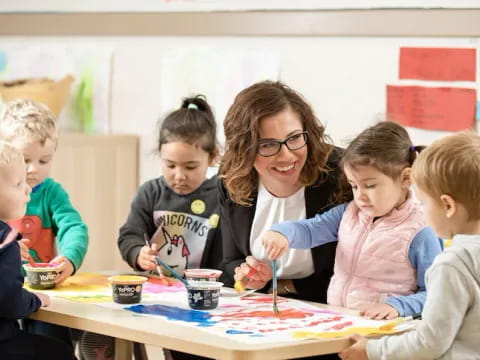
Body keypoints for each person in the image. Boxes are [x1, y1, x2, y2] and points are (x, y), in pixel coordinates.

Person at [262, 121, 443, 320]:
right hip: (342, 322)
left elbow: (437, 293)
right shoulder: (349, 213)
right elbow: (311, 230)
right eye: (354, 186)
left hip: (386, 334)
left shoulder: (420, 231)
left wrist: (398, 307)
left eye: (370, 186)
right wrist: (282, 233)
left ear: (406, 178)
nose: (360, 196)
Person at [339, 132, 480, 360]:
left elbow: (430, 342)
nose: (421, 211)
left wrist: (371, 350)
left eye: (423, 203)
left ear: (447, 205)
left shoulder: (453, 264)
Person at [219, 80, 351, 304]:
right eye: (268, 145)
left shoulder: (342, 173)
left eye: (294, 138)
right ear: (245, 150)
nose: (287, 155)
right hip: (262, 307)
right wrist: (246, 275)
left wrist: (281, 286)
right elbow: (230, 260)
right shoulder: (232, 180)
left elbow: (360, 270)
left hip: (330, 306)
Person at [118, 95, 222, 360]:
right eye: (170, 165)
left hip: (203, 298)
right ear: (160, 156)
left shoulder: (221, 194)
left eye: (190, 166)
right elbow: (129, 233)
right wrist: (138, 254)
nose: (179, 175)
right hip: (160, 293)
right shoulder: (151, 192)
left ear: (213, 157)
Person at [0, 98, 89, 352]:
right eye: (24, 159)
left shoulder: (52, 192)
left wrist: (69, 258)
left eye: (44, 160)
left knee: (51, 339)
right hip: (10, 293)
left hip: (42, 288)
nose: (33, 170)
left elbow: (74, 227)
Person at [0, 141, 75, 360]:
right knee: (60, 352)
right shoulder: (6, 240)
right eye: (18, 183)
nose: (28, 188)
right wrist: (35, 299)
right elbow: (9, 300)